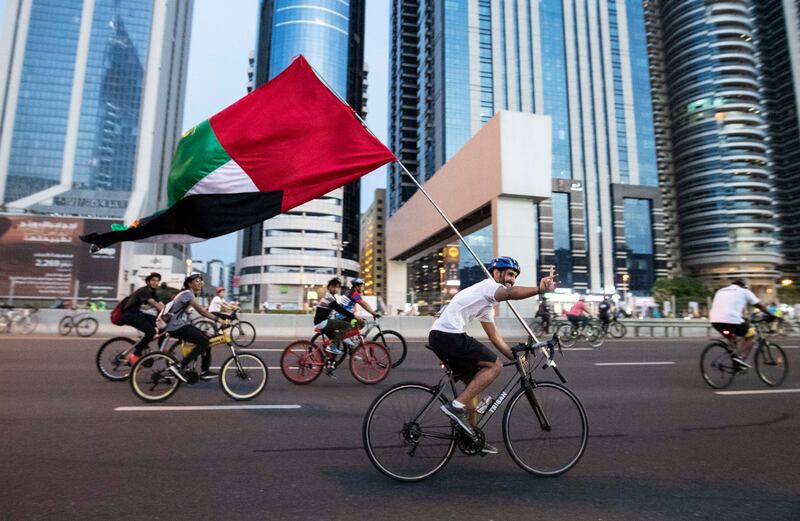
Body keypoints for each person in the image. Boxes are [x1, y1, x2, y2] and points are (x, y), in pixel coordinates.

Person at [429, 257, 556, 455]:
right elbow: (511, 293)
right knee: (495, 366)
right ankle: (455, 407)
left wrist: (515, 357)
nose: (512, 280)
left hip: (440, 336)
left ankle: (470, 438)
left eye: (514, 277)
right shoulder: (489, 286)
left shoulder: (487, 303)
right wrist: (538, 289)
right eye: (510, 274)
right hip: (449, 335)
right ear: (496, 273)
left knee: (473, 387)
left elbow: (495, 337)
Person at [165, 273, 224, 381]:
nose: (200, 283)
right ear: (189, 284)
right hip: (176, 326)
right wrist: (218, 320)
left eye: (201, 281)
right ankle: (181, 366)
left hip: (179, 324)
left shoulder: (187, 294)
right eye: (197, 281)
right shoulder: (187, 294)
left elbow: (192, 312)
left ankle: (204, 371)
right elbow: (201, 311)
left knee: (207, 339)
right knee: (204, 342)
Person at [709, 278, 776, 370]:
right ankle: (738, 358)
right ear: (744, 285)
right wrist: (771, 315)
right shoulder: (744, 291)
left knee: (732, 337)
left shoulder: (721, 290)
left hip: (715, 321)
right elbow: (758, 305)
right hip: (731, 320)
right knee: (751, 334)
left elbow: (726, 306)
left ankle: (735, 359)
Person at [120, 272, 165, 364]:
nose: (155, 282)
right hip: (130, 315)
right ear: (148, 282)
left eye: (157, 281)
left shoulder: (152, 292)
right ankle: (135, 355)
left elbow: (161, 304)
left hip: (138, 314)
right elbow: (154, 304)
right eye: (153, 280)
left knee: (162, 324)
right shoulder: (144, 291)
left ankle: (161, 349)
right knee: (151, 331)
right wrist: (167, 312)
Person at [313, 277, 363, 355]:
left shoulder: (331, 297)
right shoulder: (329, 297)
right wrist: (353, 316)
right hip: (322, 322)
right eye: (333, 287)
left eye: (337, 287)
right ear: (329, 287)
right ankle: (332, 347)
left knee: (336, 337)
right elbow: (340, 309)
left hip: (323, 321)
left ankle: (330, 360)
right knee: (347, 325)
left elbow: (338, 309)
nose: (335, 289)